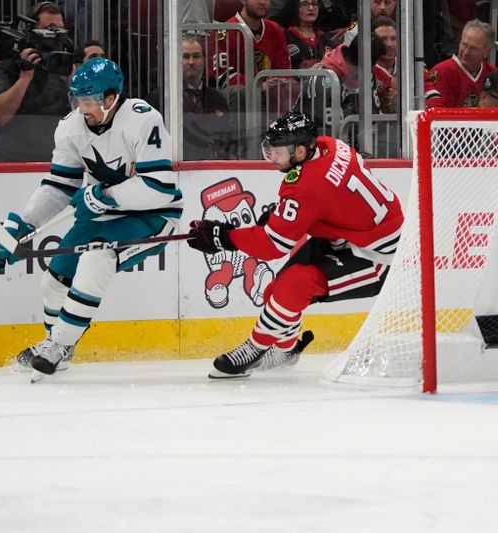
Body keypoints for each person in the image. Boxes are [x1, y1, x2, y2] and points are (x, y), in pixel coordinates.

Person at [0, 58, 183, 378]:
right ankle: (62, 348)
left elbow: (160, 188)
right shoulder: (70, 128)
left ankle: (58, 344)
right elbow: (59, 186)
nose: (81, 109)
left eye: (88, 101)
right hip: (101, 214)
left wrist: (104, 195)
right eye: (77, 101)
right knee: (53, 282)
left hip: (150, 214)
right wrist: (26, 224)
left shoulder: (143, 119)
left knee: (98, 257)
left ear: (110, 98)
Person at [187, 111, 403, 377]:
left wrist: (224, 237)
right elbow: (328, 200)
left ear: (300, 150)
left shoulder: (304, 186)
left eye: (279, 152)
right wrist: (282, 214)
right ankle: (285, 351)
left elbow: (272, 245)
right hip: (349, 236)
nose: (273, 157)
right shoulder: (329, 145)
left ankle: (254, 349)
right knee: (276, 290)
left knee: (296, 284)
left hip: (380, 257)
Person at [0, 1, 73, 161]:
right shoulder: (9, 69)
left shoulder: (61, 68)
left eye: (60, 30)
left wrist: (73, 86)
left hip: (54, 161)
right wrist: (25, 77)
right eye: (49, 30)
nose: (55, 36)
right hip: (14, 162)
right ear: (32, 32)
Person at [145, 36, 236, 159]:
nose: (191, 62)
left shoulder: (217, 99)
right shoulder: (158, 99)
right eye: (186, 57)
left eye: (196, 56)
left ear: (204, 60)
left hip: (214, 171)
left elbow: (228, 141)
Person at [425, 19, 497, 108]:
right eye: (464, 44)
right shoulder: (441, 73)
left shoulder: (494, 75)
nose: (466, 52)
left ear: (486, 52)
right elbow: (440, 117)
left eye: (473, 48)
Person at [279, 0, 332, 69]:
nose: (311, 8)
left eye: (314, 3)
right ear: (295, 7)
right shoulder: (285, 37)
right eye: (304, 4)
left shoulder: (324, 38)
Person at [372, 17, 398, 114]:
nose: (389, 44)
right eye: (383, 39)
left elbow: (432, 97)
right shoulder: (365, 71)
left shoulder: (411, 68)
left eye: (393, 39)